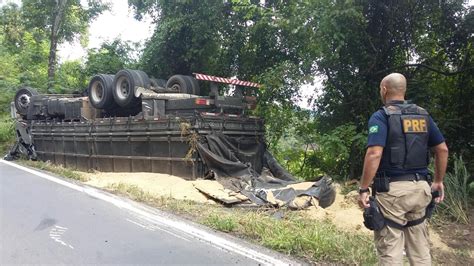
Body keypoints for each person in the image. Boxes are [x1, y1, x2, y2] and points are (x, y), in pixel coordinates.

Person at [358, 73, 449, 265]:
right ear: (404, 90)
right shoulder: (423, 115)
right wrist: (438, 181)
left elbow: (374, 153)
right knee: (420, 248)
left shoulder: (381, 116)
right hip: (421, 191)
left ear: (384, 89)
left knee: (390, 248)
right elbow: (442, 149)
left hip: (393, 194)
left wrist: (364, 188)